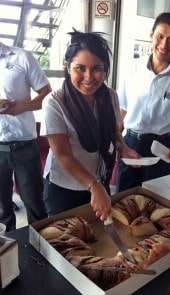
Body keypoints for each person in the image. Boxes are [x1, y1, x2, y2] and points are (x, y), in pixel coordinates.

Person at [41, 30, 138, 221]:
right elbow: (63, 154)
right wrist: (93, 185)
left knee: (100, 239)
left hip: (98, 181)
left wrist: (123, 147)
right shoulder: (54, 102)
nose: (88, 77)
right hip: (64, 188)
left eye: (96, 69)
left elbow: (112, 131)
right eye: (80, 68)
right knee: (68, 242)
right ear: (67, 66)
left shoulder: (110, 96)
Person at [116, 12, 170, 192]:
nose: (164, 44)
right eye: (160, 36)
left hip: (161, 147)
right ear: (151, 36)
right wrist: (117, 141)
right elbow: (122, 109)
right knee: (123, 198)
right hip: (130, 143)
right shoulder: (132, 70)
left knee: (154, 198)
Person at [0, 41, 51, 232]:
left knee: (35, 205)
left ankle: (40, 254)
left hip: (24, 146)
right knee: (2, 211)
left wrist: (23, 107)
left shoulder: (22, 57)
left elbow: (46, 92)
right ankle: (8, 255)